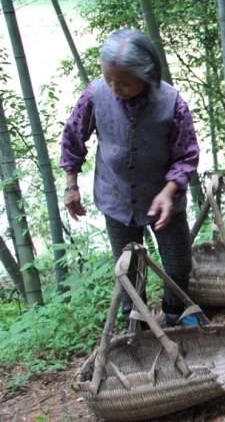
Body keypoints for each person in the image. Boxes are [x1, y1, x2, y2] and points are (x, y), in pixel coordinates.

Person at [60, 28, 200, 327]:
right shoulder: (95, 95)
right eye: (109, 79)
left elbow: (186, 155)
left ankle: (176, 313)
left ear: (146, 75)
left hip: (164, 198)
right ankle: (135, 322)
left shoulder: (172, 102)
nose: (113, 88)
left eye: (123, 82)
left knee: (178, 264)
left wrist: (169, 190)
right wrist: (71, 185)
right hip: (116, 197)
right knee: (128, 268)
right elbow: (73, 137)